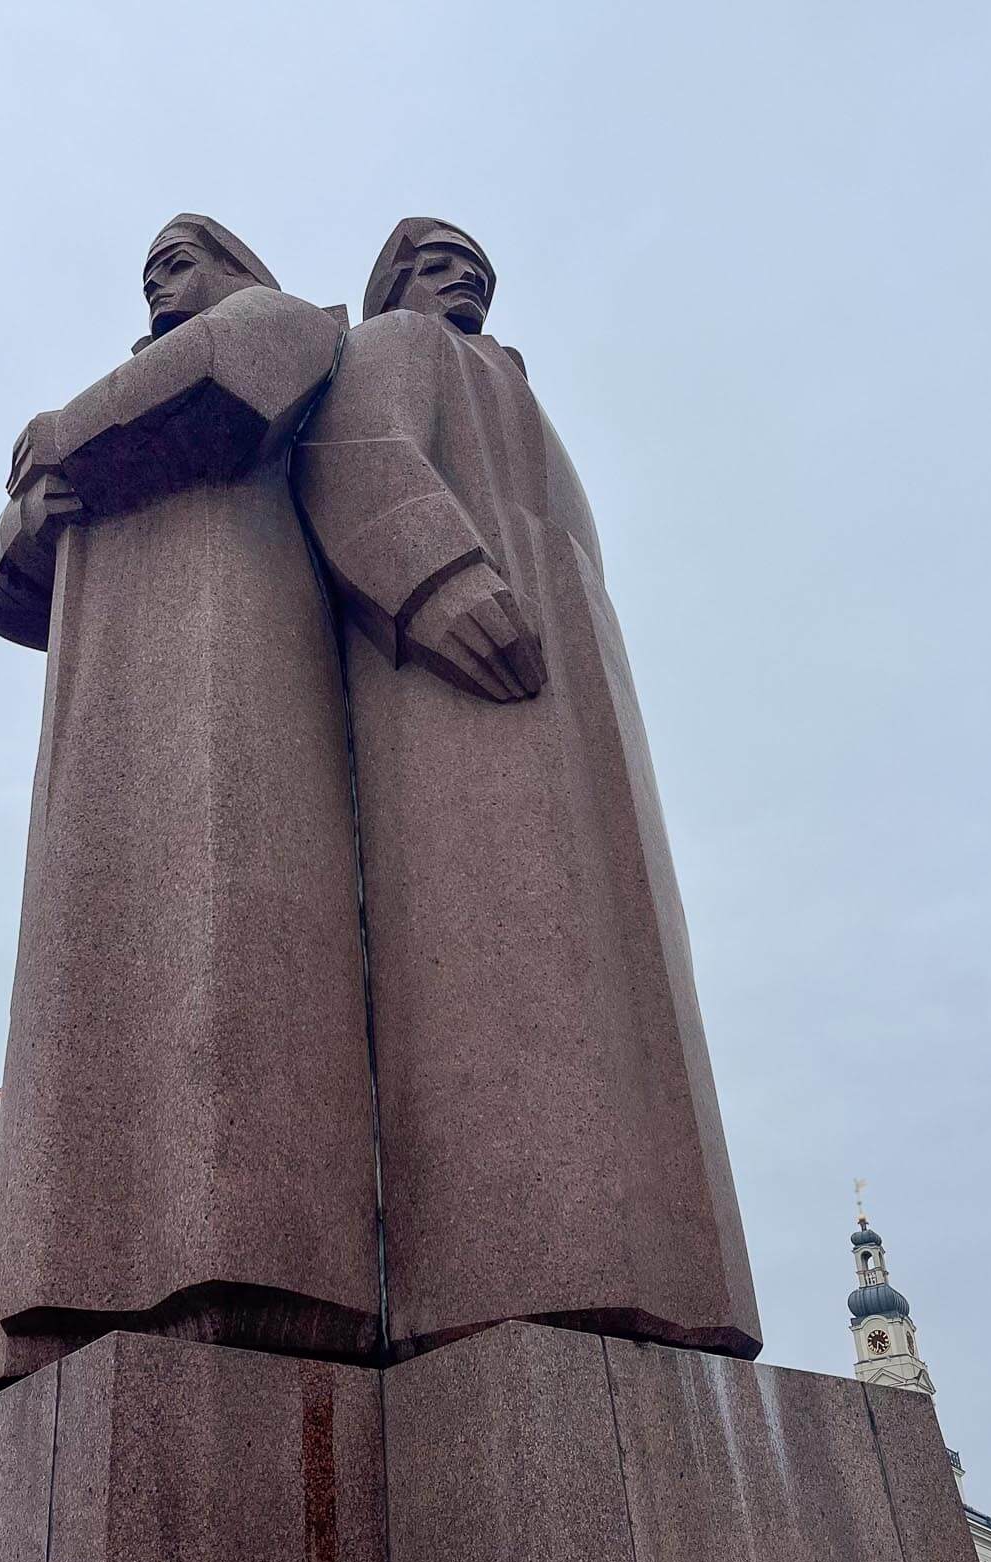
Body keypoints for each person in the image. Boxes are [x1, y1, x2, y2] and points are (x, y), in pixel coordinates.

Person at [291, 218, 762, 1360]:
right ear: (395, 280)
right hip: (457, 677)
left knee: (612, 964)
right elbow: (352, 452)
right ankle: (527, 1262)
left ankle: (658, 1275)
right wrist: (436, 579)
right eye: (438, 259)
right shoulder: (399, 343)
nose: (463, 276)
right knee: (499, 936)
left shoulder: (506, 381)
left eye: (478, 266)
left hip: (567, 686)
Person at [0, 216, 377, 1401]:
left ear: (237, 269)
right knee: (88, 973)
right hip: (104, 714)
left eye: (180, 261)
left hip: (238, 656)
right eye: (148, 270)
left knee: (230, 939)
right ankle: (71, 1281)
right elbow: (10, 585)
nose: (160, 283)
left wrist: (61, 440)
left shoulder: (284, 323)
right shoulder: (122, 404)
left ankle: (245, 1256)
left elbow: (230, 382)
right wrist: (36, 505)